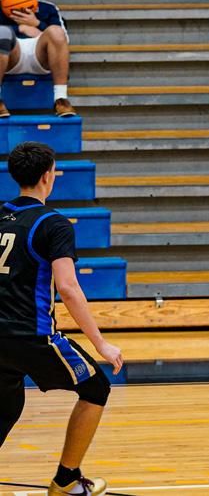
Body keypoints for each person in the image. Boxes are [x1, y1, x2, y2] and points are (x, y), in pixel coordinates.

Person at [0, 142, 123, 496]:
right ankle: (66, 480)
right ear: (47, 176)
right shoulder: (53, 224)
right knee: (96, 388)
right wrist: (101, 343)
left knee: (8, 404)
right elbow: (68, 287)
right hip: (33, 336)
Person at [0, 0, 76, 118]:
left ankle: (61, 99)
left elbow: (64, 41)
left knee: (55, 31)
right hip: (11, 56)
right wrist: (20, 28)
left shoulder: (48, 8)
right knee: (3, 32)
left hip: (40, 56)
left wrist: (37, 24)